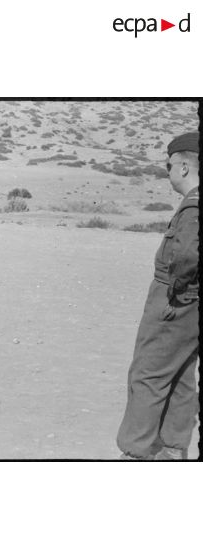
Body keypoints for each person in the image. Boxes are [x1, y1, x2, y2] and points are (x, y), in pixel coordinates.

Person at [117, 132, 200, 460]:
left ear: (184, 167)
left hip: (176, 301)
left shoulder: (193, 207)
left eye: (169, 166)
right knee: (181, 374)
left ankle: (136, 452)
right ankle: (172, 449)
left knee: (147, 373)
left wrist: (177, 292)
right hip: (191, 307)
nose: (167, 173)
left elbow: (187, 256)